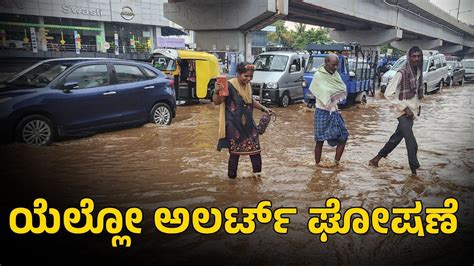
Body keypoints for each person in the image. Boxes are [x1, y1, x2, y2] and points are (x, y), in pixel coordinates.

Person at [369, 46, 424, 175]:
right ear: (409, 57)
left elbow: (415, 94)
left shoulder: (418, 72)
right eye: (413, 56)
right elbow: (388, 93)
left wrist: (417, 107)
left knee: (396, 138)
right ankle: (414, 172)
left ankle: (376, 159)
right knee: (411, 142)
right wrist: (404, 108)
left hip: (412, 111)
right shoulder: (402, 73)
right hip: (402, 112)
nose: (416, 59)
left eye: (418, 56)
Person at [213, 62, 273, 179]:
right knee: (235, 155)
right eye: (246, 76)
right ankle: (232, 182)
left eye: (251, 76)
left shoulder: (248, 85)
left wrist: (264, 109)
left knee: (256, 152)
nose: (248, 79)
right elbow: (217, 102)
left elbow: (250, 100)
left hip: (249, 125)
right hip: (234, 126)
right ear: (237, 74)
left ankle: (257, 177)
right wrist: (216, 91)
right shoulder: (229, 85)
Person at [310, 53, 349, 166]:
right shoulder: (318, 75)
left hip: (334, 111)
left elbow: (342, 88)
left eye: (337, 65)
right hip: (322, 111)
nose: (335, 67)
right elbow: (324, 92)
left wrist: (333, 97)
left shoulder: (336, 75)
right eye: (333, 65)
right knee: (319, 141)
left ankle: (336, 163)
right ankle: (317, 165)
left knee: (343, 137)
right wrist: (331, 95)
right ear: (326, 62)